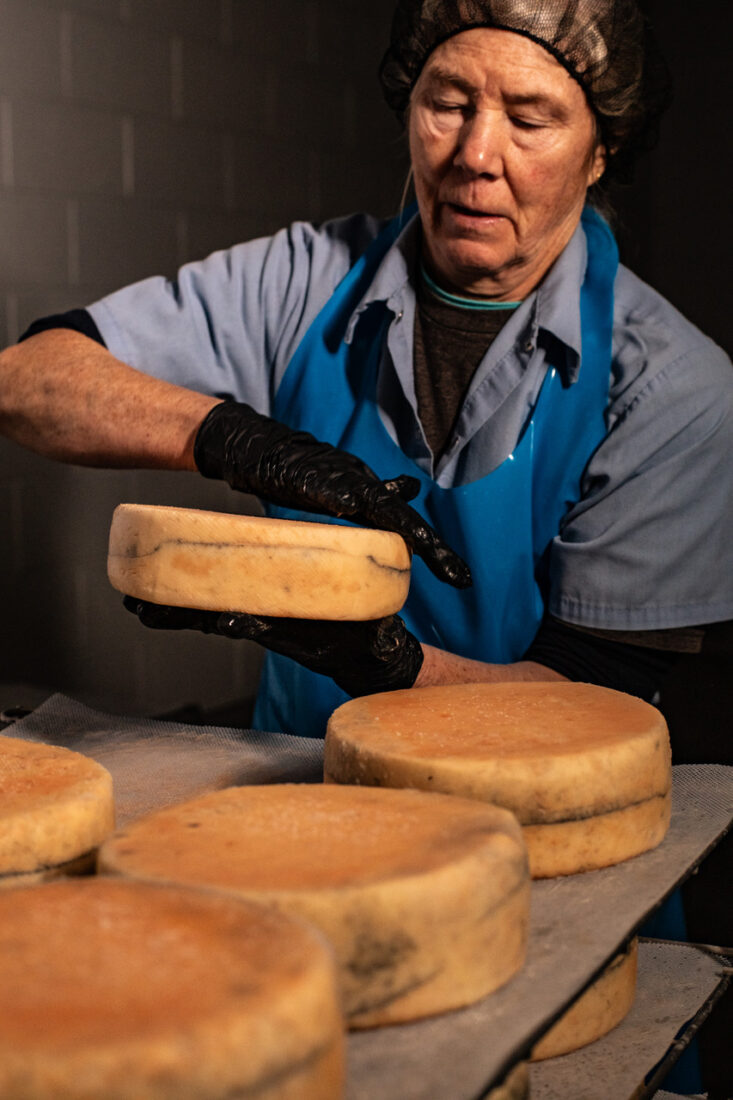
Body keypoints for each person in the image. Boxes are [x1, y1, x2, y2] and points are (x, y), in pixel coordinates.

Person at [1, 0, 731, 741]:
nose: (475, 154)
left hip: (521, 824)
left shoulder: (668, 391)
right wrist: (235, 440)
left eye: (529, 119)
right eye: (446, 103)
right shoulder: (304, 283)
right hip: (291, 796)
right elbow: (26, 379)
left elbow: (596, 701)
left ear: (600, 147)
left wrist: (394, 670)